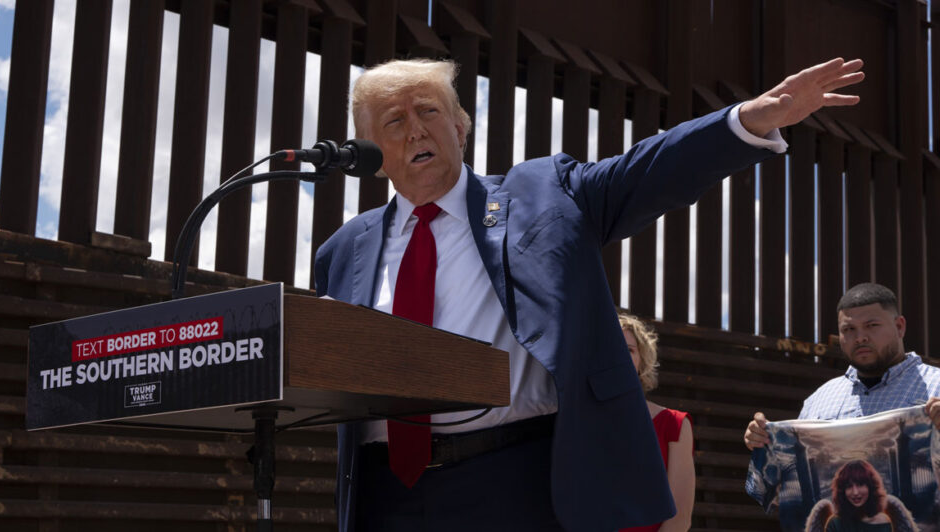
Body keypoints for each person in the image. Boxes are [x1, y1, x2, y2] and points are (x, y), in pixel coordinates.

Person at [316, 56, 864, 531]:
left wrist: (748, 121)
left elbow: (647, 170)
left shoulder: (543, 196)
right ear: (372, 154)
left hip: (512, 481)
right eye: (394, 121)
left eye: (429, 112)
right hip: (383, 494)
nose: (415, 130)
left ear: (461, 127)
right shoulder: (342, 252)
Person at [744, 283, 940, 452]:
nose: (860, 337)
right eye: (849, 329)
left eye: (872, 325)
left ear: (899, 327)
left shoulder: (936, 386)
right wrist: (765, 440)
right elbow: (797, 476)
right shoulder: (818, 401)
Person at [619, 312, 695, 532]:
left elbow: (679, 519)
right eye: (612, 347)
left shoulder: (674, 424)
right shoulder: (576, 421)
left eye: (630, 350)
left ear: (642, 360)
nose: (621, 355)